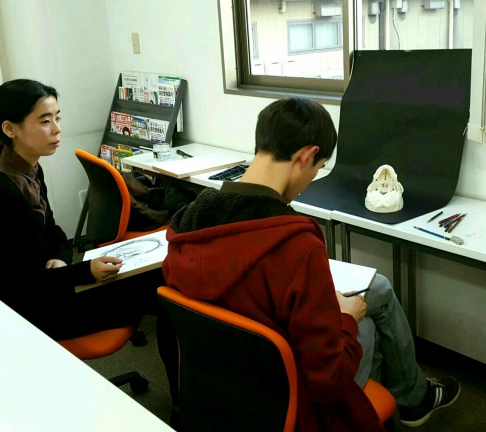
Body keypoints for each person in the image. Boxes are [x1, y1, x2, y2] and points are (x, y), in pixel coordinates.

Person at [162, 97, 460, 431]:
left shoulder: (188, 225)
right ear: (306, 156)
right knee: (366, 325)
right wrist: (345, 319)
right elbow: (328, 380)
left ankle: (412, 398)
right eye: (319, 168)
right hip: (292, 401)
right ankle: (402, 403)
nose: (313, 178)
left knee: (375, 291)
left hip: (221, 388)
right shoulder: (296, 247)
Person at [0, 79, 170, 346]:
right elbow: (13, 285)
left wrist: (61, 260)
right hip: (34, 312)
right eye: (45, 121)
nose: (57, 129)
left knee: (161, 280)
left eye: (57, 118)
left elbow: (54, 231)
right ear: (9, 128)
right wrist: (85, 272)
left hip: (50, 286)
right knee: (161, 289)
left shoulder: (28, 169)